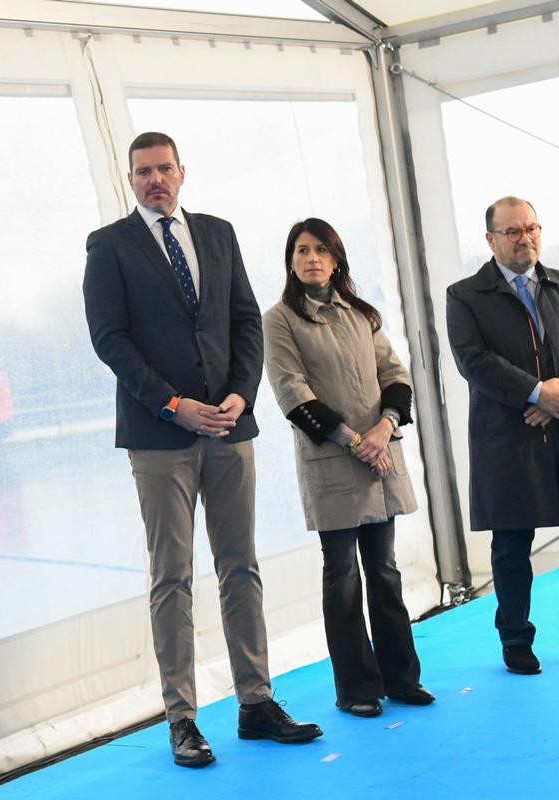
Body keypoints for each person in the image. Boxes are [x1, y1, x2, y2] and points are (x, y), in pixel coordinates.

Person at [82, 131, 321, 769]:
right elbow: (109, 339)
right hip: (160, 435)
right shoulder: (109, 245)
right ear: (130, 180)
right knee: (173, 577)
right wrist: (172, 403)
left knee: (241, 566)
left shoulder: (217, 233)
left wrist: (242, 393)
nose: (155, 180)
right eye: (143, 172)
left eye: (164, 168)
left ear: (182, 172)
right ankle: (182, 719)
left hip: (230, 427)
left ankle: (256, 703)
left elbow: (246, 322)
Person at [263, 217, 434, 717]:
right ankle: (357, 689)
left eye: (321, 250)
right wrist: (355, 441)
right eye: (301, 250)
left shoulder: (362, 314)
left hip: (380, 458)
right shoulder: (279, 320)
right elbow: (292, 393)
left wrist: (384, 428)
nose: (311, 258)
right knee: (341, 577)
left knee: (385, 571)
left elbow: (395, 375)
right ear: (290, 262)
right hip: (333, 463)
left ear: (336, 259)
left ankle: (402, 679)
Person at [446, 196, 558, 676]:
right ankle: (515, 637)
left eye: (531, 228)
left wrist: (554, 398)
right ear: (490, 240)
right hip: (506, 436)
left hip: (556, 419)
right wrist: (536, 393)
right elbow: (473, 361)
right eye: (512, 231)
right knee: (512, 544)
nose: (524, 238)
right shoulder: (465, 296)